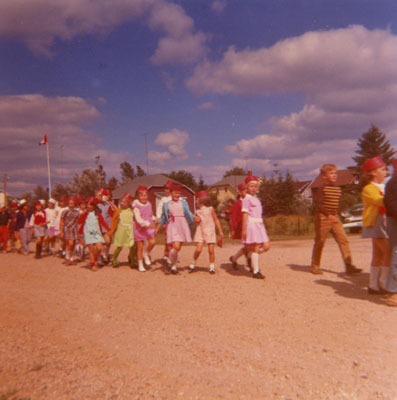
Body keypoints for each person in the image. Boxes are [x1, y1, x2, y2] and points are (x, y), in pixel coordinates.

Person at [310, 164, 361, 275]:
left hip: (334, 217)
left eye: (335, 173)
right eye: (331, 173)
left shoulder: (337, 188)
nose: (334, 176)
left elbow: (335, 204)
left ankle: (349, 266)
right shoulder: (321, 188)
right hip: (323, 217)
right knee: (320, 242)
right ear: (324, 176)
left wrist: (337, 215)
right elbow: (319, 205)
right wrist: (328, 215)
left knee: (343, 240)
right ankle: (315, 265)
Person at [361, 156, 390, 294]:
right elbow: (379, 200)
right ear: (373, 173)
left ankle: (373, 285)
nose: (386, 172)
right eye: (383, 169)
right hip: (376, 223)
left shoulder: (384, 186)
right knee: (388, 253)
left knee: (378, 255)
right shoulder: (368, 188)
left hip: (384, 222)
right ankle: (383, 283)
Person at [159, 182, 197, 274]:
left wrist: (194, 217)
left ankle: (174, 267)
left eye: (179, 193)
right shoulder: (167, 204)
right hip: (173, 226)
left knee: (178, 247)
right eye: (175, 193)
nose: (177, 195)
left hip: (183, 225)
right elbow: (164, 216)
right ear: (171, 193)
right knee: (175, 246)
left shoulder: (183, 203)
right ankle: (168, 261)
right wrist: (159, 224)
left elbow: (188, 212)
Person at [241, 175, 270, 279]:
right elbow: (245, 214)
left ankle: (251, 256)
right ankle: (256, 271)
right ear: (247, 187)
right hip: (252, 225)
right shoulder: (246, 199)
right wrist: (244, 229)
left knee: (266, 246)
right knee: (256, 247)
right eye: (251, 186)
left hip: (259, 225)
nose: (253, 188)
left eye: (255, 186)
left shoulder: (256, 199)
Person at [189, 190, 224, 274]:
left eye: (197, 199)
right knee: (198, 249)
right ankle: (193, 263)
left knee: (211, 250)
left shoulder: (210, 209)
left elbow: (216, 220)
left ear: (202, 201)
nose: (196, 201)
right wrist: (195, 219)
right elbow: (196, 221)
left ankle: (211, 267)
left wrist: (220, 231)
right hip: (200, 231)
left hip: (210, 231)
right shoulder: (197, 211)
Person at [78, 197, 110, 271]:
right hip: (88, 232)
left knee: (99, 248)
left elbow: (103, 222)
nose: (88, 206)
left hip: (96, 232)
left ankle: (94, 259)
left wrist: (108, 230)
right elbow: (79, 222)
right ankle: (93, 264)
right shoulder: (85, 213)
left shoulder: (97, 213)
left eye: (91, 205)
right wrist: (82, 215)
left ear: (94, 206)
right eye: (88, 204)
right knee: (91, 249)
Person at [132, 185, 156, 272]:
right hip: (139, 227)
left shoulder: (149, 204)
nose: (144, 197)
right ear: (138, 196)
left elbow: (150, 215)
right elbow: (138, 219)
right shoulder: (136, 206)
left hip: (148, 226)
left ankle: (146, 253)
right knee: (140, 246)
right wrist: (147, 223)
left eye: (145, 195)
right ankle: (140, 264)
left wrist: (154, 218)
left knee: (152, 242)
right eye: (141, 195)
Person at [384, 158, 397, 306]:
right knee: (396, 255)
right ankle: (392, 292)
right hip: (395, 221)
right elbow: (391, 204)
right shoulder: (393, 183)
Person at [110, 193, 136, 268]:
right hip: (121, 231)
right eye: (121, 201)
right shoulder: (118, 211)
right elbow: (114, 221)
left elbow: (135, 220)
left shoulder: (132, 211)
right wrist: (112, 231)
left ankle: (132, 261)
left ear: (129, 203)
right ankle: (114, 259)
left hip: (130, 231)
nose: (122, 203)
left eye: (124, 202)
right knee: (119, 246)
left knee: (131, 246)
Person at [229, 183, 251, 269]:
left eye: (247, 190)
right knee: (248, 246)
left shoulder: (250, 200)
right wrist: (232, 229)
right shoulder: (238, 203)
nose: (246, 192)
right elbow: (233, 217)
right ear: (239, 192)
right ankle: (251, 264)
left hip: (251, 226)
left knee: (249, 247)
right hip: (242, 227)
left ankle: (234, 258)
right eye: (244, 190)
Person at [96, 188, 115, 264]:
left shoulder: (107, 205)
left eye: (101, 196)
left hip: (106, 226)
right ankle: (98, 258)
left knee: (107, 241)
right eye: (98, 196)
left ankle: (104, 254)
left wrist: (112, 205)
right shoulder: (95, 205)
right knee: (98, 244)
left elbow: (113, 214)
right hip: (97, 227)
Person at [156, 180, 173, 265]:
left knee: (174, 240)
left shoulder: (176, 198)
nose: (166, 191)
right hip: (167, 221)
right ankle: (166, 255)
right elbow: (159, 208)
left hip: (175, 222)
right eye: (165, 189)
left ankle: (172, 255)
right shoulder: (163, 199)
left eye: (168, 189)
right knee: (167, 239)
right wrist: (158, 216)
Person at [59, 198, 80, 265]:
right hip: (67, 229)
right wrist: (61, 231)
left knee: (73, 243)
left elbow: (78, 221)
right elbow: (61, 221)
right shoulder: (65, 211)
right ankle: (67, 256)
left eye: (73, 203)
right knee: (70, 243)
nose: (72, 205)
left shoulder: (77, 212)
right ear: (68, 204)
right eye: (70, 203)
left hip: (74, 229)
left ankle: (71, 258)